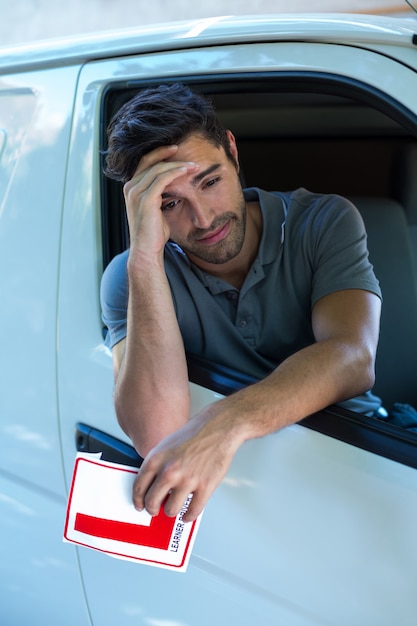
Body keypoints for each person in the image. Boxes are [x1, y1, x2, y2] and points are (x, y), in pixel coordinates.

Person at [101, 83, 382, 523]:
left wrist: (224, 423)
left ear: (231, 150)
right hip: (248, 500)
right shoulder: (133, 276)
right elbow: (156, 432)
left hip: (360, 453)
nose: (203, 219)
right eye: (170, 203)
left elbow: (352, 356)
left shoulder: (323, 222)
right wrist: (144, 257)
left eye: (209, 182)